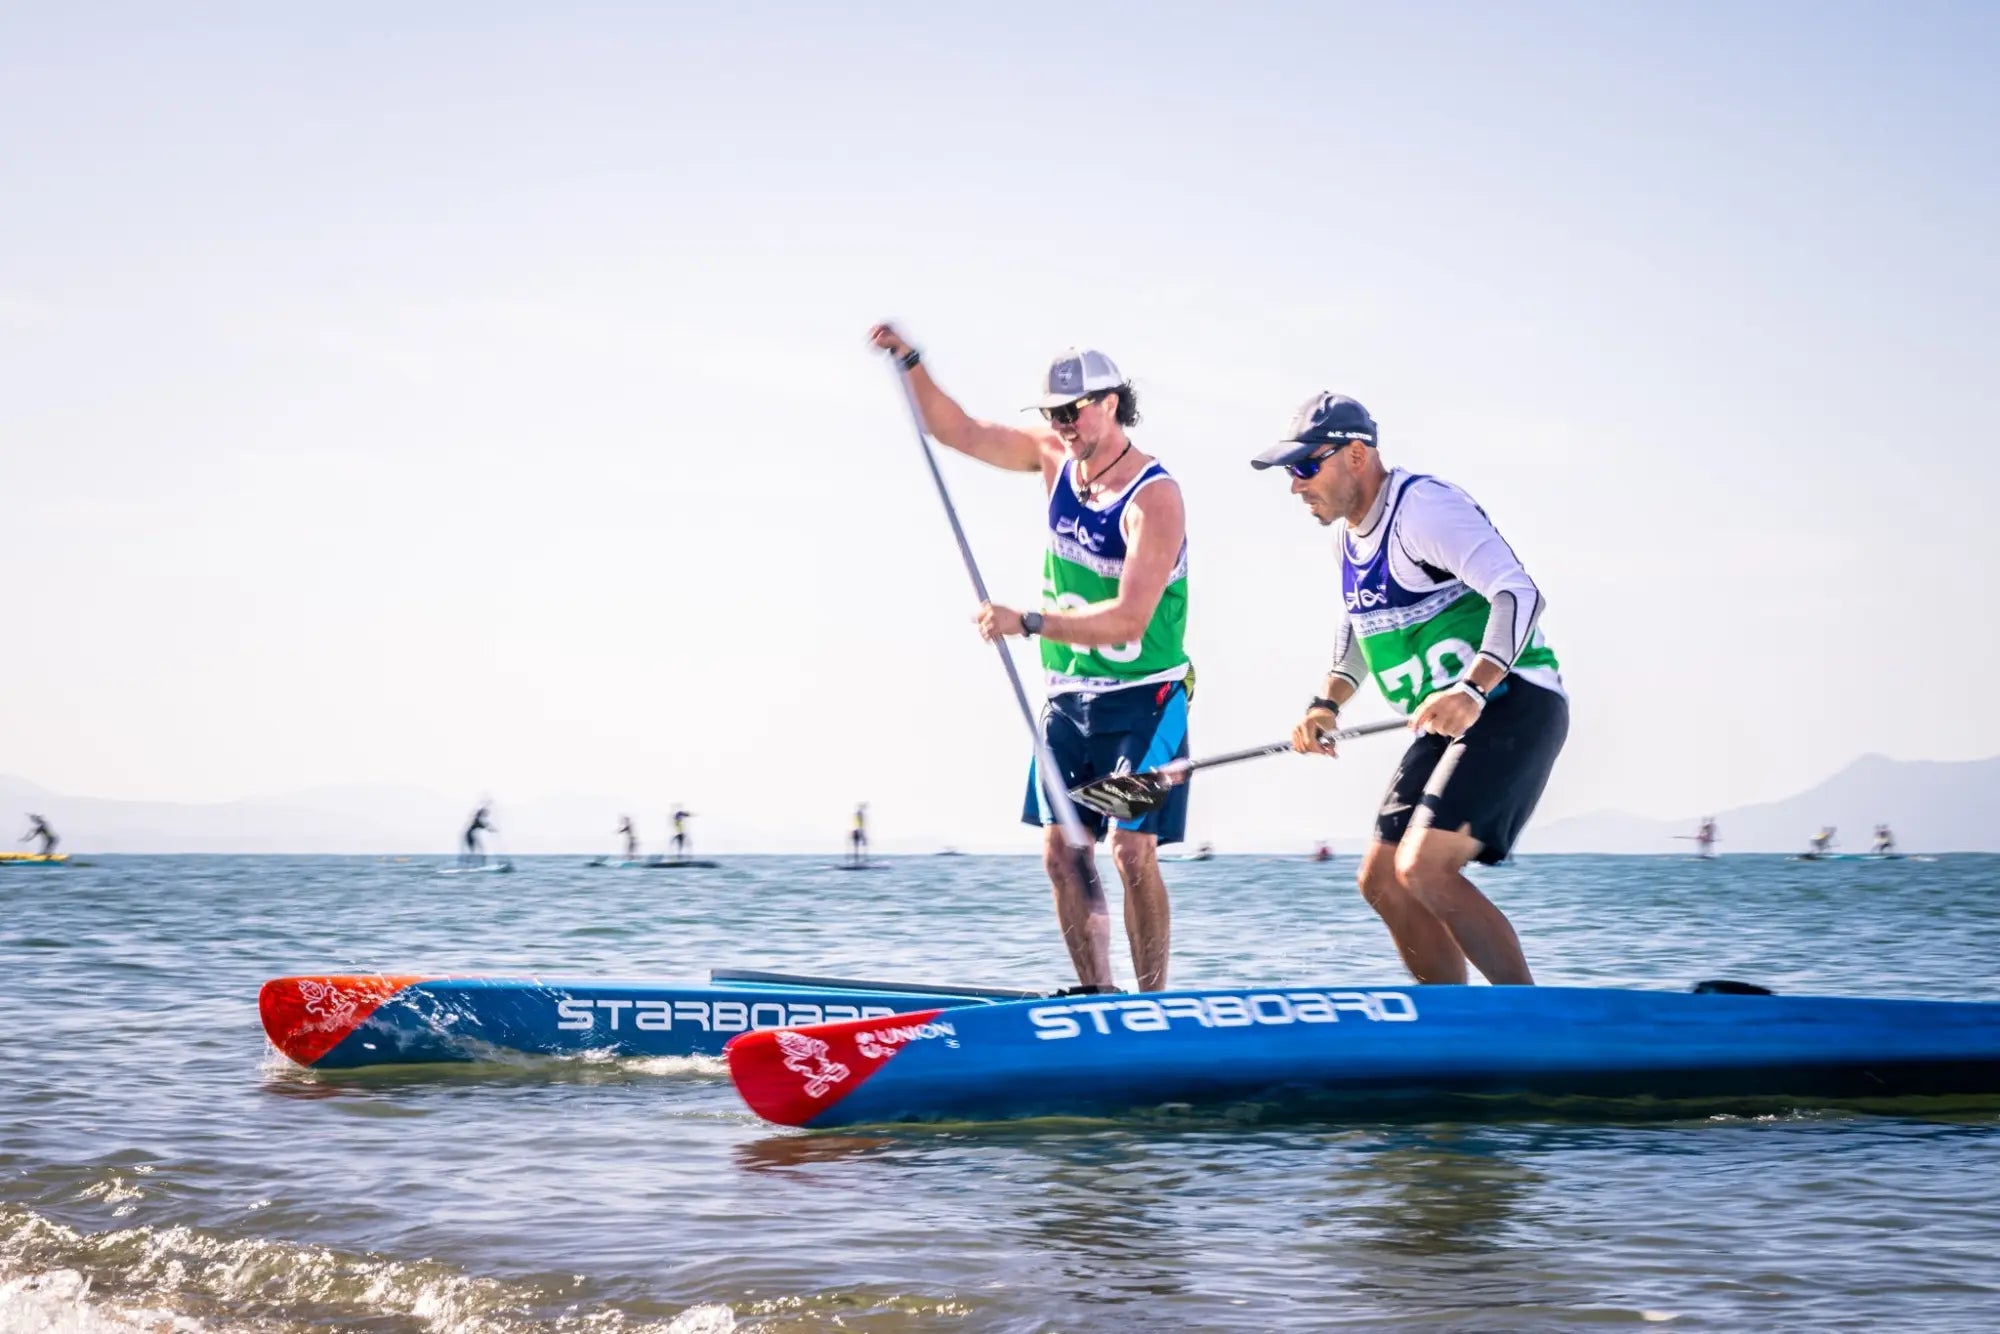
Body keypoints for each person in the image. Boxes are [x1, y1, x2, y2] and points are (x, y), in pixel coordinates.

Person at [870, 324, 1192, 993]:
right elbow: (957, 429)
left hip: (1144, 699)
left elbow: (1130, 617)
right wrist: (911, 362)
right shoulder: (1052, 459)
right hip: (1068, 699)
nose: (1063, 425)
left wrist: (1030, 621)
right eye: (1053, 414)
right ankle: (1096, 996)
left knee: (1131, 851)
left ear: (1111, 403)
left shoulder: (1155, 497)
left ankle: (1154, 1001)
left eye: (1073, 412)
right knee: (1061, 849)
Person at [1257, 393, 1566, 986]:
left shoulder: (1423, 509)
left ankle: (1527, 1022)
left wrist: (1473, 689)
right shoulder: (1349, 537)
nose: (1295, 486)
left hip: (1511, 701)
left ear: (1355, 455)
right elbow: (1358, 626)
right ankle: (1453, 1022)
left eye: (1303, 468)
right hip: (1448, 719)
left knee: (1425, 867)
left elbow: (1519, 593)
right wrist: (1326, 704)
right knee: (1380, 879)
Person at [849, 803, 870, 867]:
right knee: (862, 844)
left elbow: (858, 823)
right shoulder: (859, 814)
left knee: (857, 846)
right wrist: (861, 831)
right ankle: (862, 860)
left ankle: (858, 861)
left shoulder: (857, 814)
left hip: (856, 830)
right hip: (858, 830)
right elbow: (859, 823)